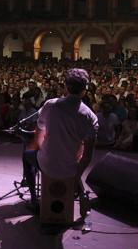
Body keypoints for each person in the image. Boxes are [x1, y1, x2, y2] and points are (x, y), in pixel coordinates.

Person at [23, 68, 98, 216]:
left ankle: (33, 200)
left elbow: (39, 132)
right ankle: (81, 193)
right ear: (85, 90)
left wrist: (43, 147)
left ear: (65, 86)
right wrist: (75, 180)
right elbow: (87, 157)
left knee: (27, 154)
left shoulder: (50, 105)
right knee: (75, 154)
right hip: (71, 169)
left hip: (47, 164)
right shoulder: (91, 117)